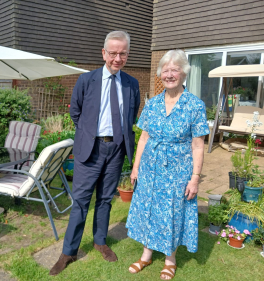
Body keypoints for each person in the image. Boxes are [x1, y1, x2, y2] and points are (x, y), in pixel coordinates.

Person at [49, 30, 141, 276]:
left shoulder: (132, 84)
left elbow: (131, 116)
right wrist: (92, 134)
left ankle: (100, 241)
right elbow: (76, 113)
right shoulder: (86, 81)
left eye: (122, 53)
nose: (117, 58)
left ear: (127, 54)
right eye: (113, 53)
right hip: (90, 149)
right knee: (80, 201)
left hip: (116, 151)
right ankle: (69, 251)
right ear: (104, 53)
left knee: (105, 199)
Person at [126, 50, 210, 280]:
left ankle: (170, 259)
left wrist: (195, 178)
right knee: (149, 208)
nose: (169, 74)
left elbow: (198, 145)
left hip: (177, 170)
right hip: (149, 167)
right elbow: (143, 138)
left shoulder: (195, 105)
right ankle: (146, 255)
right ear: (160, 73)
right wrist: (135, 168)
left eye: (175, 70)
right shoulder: (152, 104)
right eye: (166, 70)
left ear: (184, 74)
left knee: (171, 212)